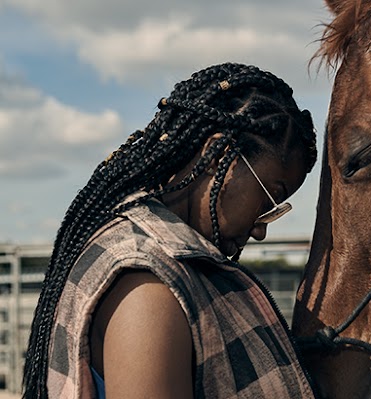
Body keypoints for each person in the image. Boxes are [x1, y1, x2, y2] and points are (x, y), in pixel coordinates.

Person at [23, 63, 318, 399]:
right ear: (217, 154)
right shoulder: (148, 288)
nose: (261, 230)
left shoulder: (175, 267)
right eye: (271, 198)